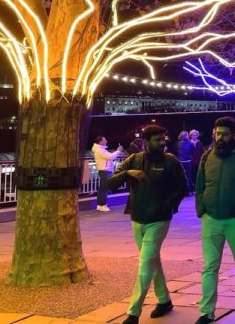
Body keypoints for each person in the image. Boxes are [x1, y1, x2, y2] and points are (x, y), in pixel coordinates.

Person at [106, 125, 189, 324]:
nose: (162, 143)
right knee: (152, 260)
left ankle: (133, 313)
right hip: (137, 218)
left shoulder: (171, 161)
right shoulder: (133, 160)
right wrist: (129, 174)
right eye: (157, 140)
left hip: (159, 219)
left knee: (144, 264)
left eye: (163, 140)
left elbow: (183, 187)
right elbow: (110, 183)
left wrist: (167, 204)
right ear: (146, 141)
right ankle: (165, 300)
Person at [194, 117, 235, 324]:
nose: (220, 137)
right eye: (217, 133)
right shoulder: (207, 157)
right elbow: (200, 186)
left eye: (225, 134)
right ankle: (207, 311)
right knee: (210, 266)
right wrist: (201, 210)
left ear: (234, 135)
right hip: (210, 219)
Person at [92, 136, 123, 212]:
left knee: (103, 188)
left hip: (105, 171)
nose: (106, 141)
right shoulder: (99, 150)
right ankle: (102, 205)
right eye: (105, 139)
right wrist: (118, 151)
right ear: (100, 141)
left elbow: (110, 157)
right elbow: (111, 157)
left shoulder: (101, 149)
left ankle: (100, 205)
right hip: (104, 171)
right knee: (104, 188)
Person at [189, 130, 204, 194]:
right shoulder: (189, 143)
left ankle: (197, 189)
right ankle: (192, 189)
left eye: (195, 135)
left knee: (198, 176)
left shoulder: (200, 143)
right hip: (191, 162)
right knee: (192, 176)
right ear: (191, 136)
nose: (194, 136)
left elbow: (202, 152)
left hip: (198, 161)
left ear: (197, 136)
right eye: (193, 135)